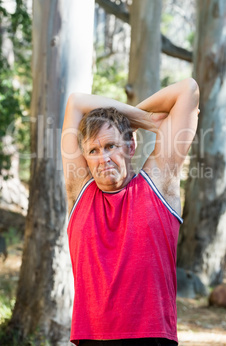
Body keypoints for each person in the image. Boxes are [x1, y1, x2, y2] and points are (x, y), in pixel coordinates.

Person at [61, 78, 199, 346]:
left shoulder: (158, 184)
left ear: (130, 146)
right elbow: (76, 102)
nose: (103, 158)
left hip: (151, 338)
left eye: (111, 145)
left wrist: (129, 123)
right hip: (92, 338)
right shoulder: (80, 192)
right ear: (85, 157)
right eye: (93, 150)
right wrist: (143, 119)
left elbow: (188, 89)